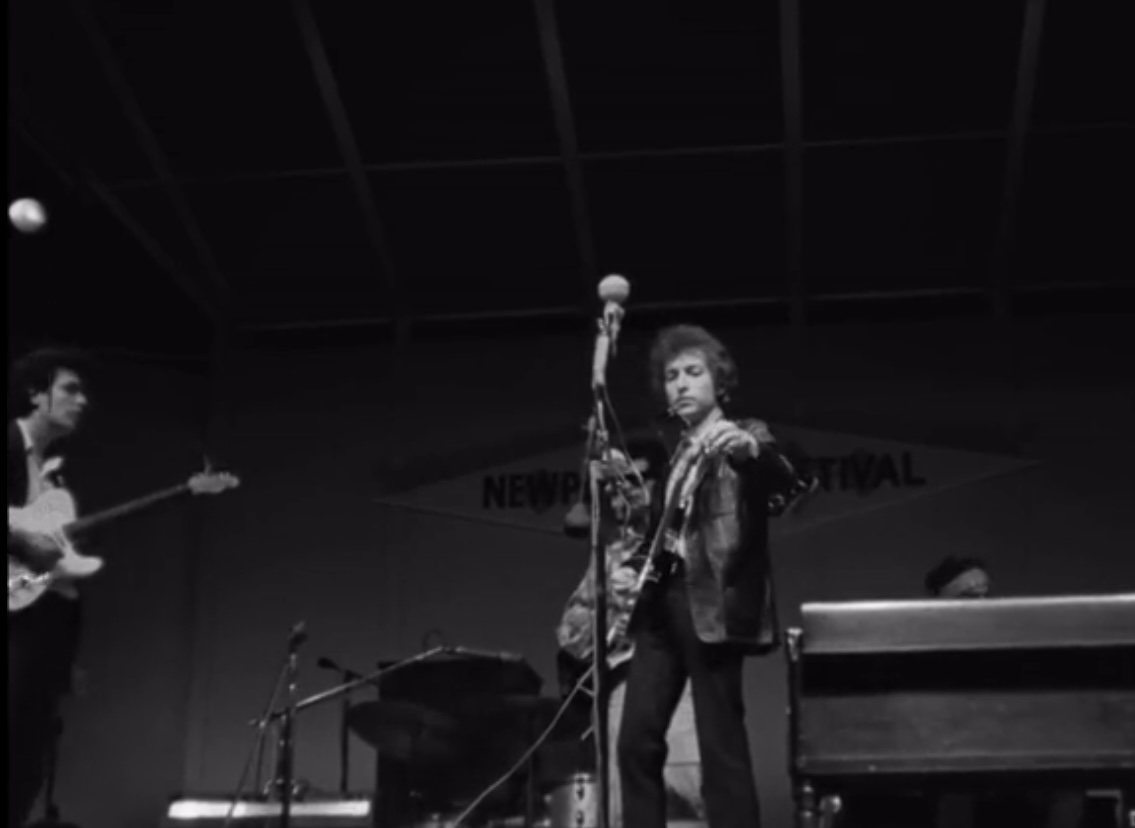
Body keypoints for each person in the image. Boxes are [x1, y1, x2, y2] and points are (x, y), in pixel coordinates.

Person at [615, 324, 809, 828]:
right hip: (660, 607)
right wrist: (633, 570)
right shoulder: (676, 453)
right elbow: (664, 536)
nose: (680, 383)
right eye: (671, 376)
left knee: (720, 739)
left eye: (693, 372)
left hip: (713, 600)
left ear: (719, 382)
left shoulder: (744, 433)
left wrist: (749, 451)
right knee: (635, 739)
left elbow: (789, 479)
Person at [556, 437, 705, 826]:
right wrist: (607, 602)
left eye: (630, 481)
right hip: (623, 686)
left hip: (681, 689)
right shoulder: (612, 550)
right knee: (628, 809)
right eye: (612, 484)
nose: (620, 493)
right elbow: (572, 638)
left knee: (683, 804)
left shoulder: (686, 531)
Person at [8, 347, 93, 827]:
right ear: (35, 394)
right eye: (70, 389)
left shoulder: (53, 472)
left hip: (41, 632)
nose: (83, 401)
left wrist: (67, 656)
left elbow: (59, 572)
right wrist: (23, 539)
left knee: (27, 762)